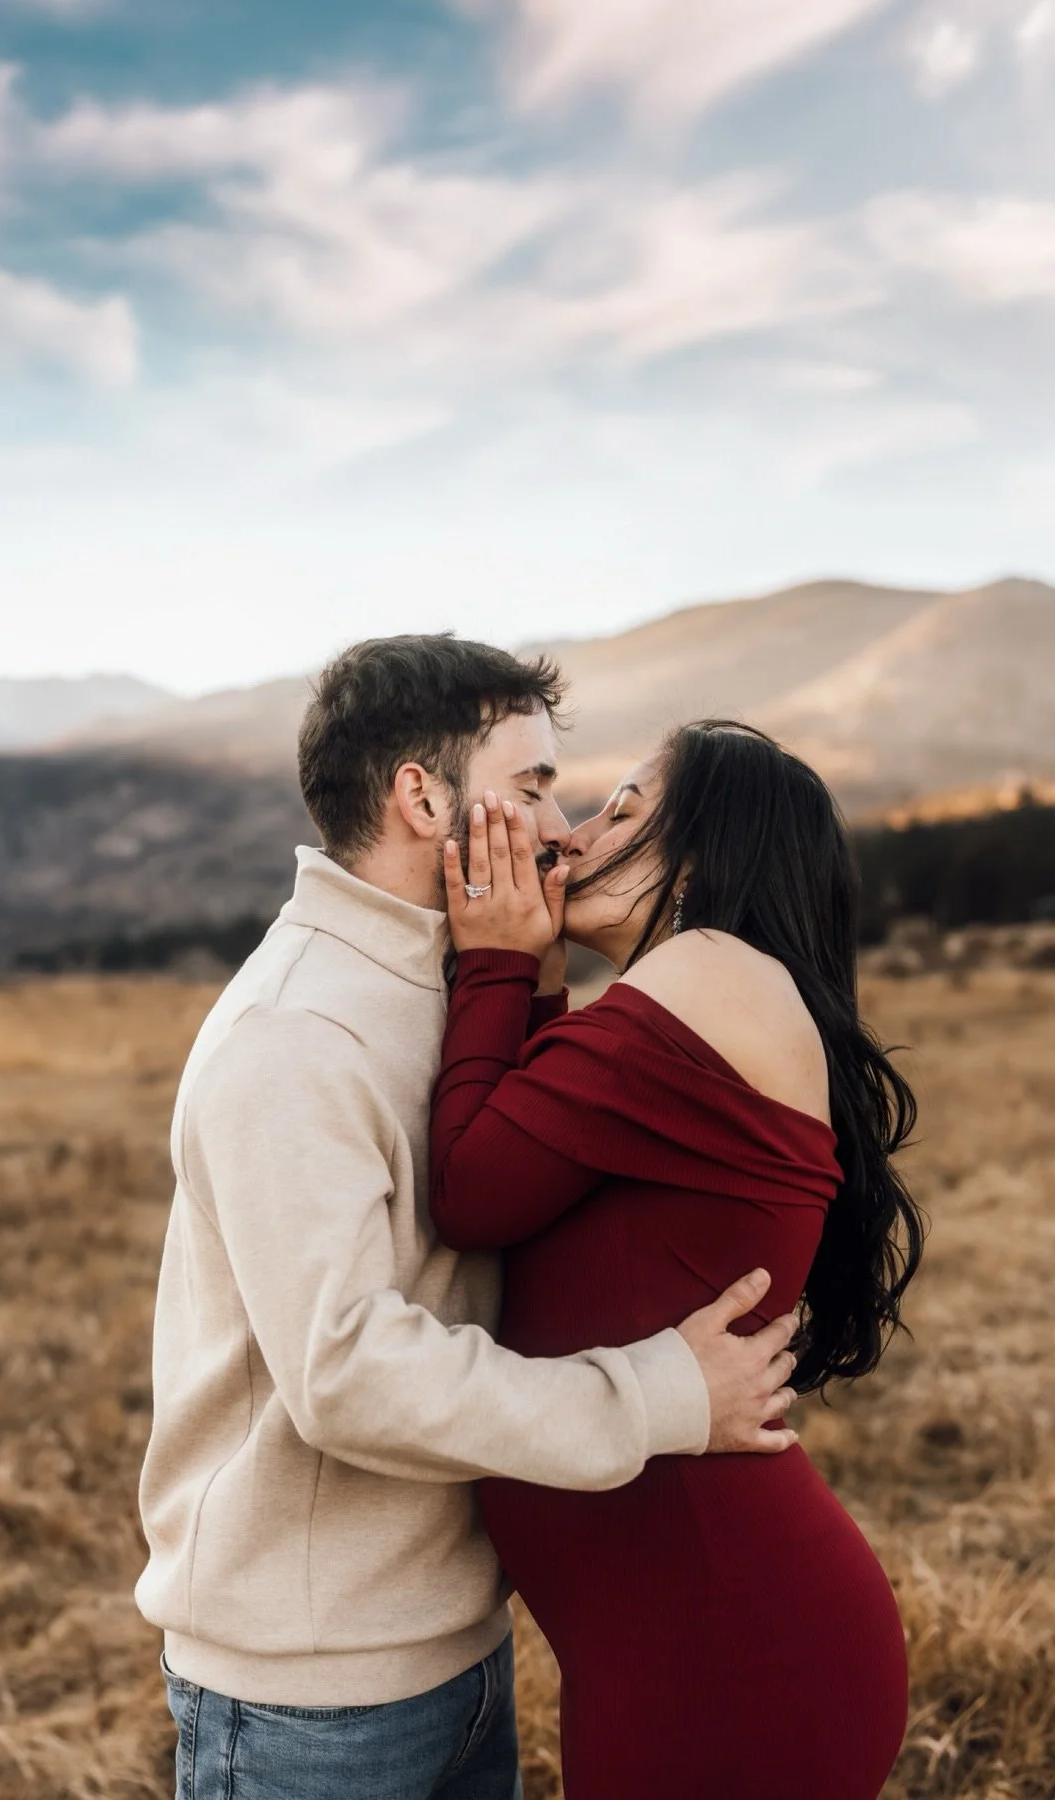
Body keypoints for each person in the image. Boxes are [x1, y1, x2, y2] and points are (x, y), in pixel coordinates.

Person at [135, 640, 806, 1800]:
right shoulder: (297, 1033)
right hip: (310, 1700)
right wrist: (655, 1396)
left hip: (462, 1654)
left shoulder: (456, 982)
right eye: (533, 786)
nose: (559, 828)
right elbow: (346, 1370)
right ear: (423, 797)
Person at [429, 719, 923, 1800]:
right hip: (691, 1639)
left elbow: (469, 1190)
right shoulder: (711, 999)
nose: (574, 835)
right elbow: (526, 1168)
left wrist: (500, 962)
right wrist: (538, 978)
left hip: (726, 1652)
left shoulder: (707, 970)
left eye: (625, 811)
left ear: (701, 858)